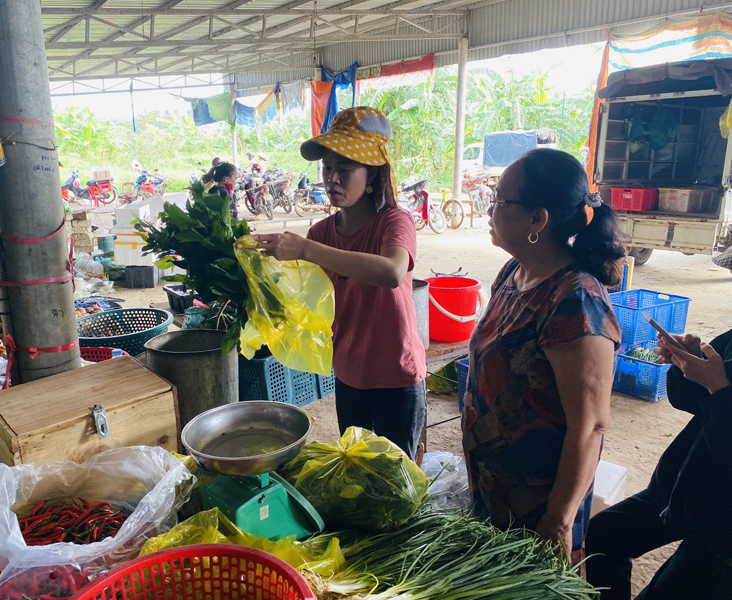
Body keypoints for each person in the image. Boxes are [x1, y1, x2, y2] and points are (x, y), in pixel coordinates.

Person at [461, 148, 624, 565]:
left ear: (538, 220)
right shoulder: (513, 273)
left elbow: (590, 426)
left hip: (540, 506)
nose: (491, 209)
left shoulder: (576, 300)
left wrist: (558, 520)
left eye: (500, 200)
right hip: (496, 490)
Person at [243, 107, 426, 459]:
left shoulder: (394, 222)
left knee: (397, 477)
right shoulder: (322, 232)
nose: (333, 179)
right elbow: (305, 297)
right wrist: (259, 272)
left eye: (345, 169)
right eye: (328, 168)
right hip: (349, 374)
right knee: (357, 469)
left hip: (397, 376)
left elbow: (392, 272)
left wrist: (308, 250)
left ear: (372, 175)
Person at [585, 329, 732, 599]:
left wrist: (719, 389)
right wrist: (689, 362)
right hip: (682, 486)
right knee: (605, 535)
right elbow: (691, 400)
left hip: (721, 531)